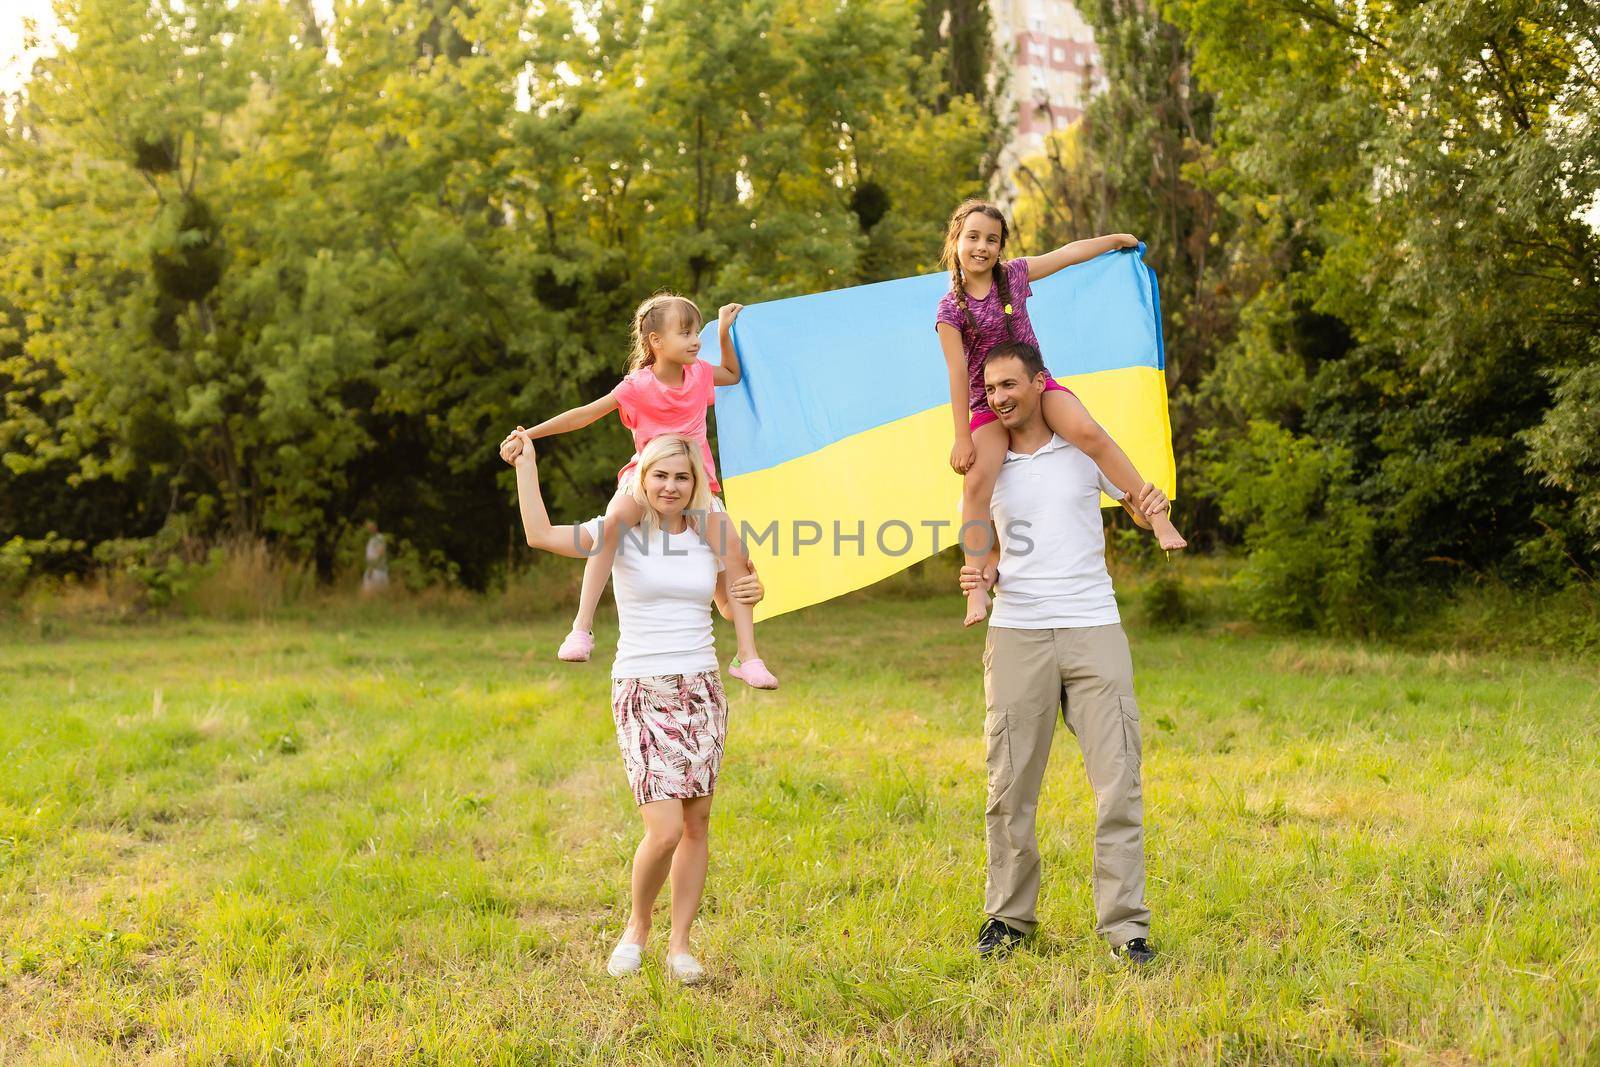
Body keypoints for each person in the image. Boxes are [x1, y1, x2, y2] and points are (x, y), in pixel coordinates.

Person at [504, 430, 762, 983]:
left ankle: (681, 945)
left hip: (702, 687)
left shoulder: (707, 532)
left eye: (682, 476)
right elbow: (541, 535)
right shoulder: (622, 531)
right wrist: (527, 464)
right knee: (664, 827)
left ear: (696, 483)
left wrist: (747, 591)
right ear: (642, 479)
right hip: (642, 688)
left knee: (697, 822)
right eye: (660, 475)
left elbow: (724, 598)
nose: (671, 486)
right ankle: (636, 927)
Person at [959, 340, 1161, 967]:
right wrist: (981, 573)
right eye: (991, 390)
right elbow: (980, 535)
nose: (1001, 398)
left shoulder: (1081, 448)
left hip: (1093, 626)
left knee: (1118, 781)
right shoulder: (990, 462)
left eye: (1010, 385)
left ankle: (1126, 928)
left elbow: (1131, 493)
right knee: (1010, 784)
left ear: (1037, 383)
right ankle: (1009, 919)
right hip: (1018, 632)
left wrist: (1150, 507)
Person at [500, 293, 777, 690]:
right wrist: (531, 433)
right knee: (612, 526)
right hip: (646, 479)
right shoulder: (637, 386)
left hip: (696, 482)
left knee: (734, 548)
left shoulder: (699, 373)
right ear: (655, 341)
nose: (695, 339)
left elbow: (732, 374)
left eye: (697, 331)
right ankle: (582, 627)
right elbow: (586, 414)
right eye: (685, 332)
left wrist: (724, 330)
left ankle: (747, 655)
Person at [935, 198, 1187, 627]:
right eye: (973, 237)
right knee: (977, 483)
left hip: (1038, 384)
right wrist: (962, 435)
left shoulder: (1012, 277)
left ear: (1001, 247)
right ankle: (977, 585)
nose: (982, 247)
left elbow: (1068, 254)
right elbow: (958, 374)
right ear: (956, 240)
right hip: (986, 403)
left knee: (1090, 433)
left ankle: (1157, 516)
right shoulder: (950, 310)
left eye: (992, 240)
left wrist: (1116, 241)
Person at [361, 521, 389, 594]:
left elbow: (381, 552)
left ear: (375, 528)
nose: (369, 530)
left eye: (371, 528)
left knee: (373, 594)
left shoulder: (379, 538)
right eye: (368, 528)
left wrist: (372, 567)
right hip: (374, 569)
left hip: (377, 570)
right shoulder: (372, 539)